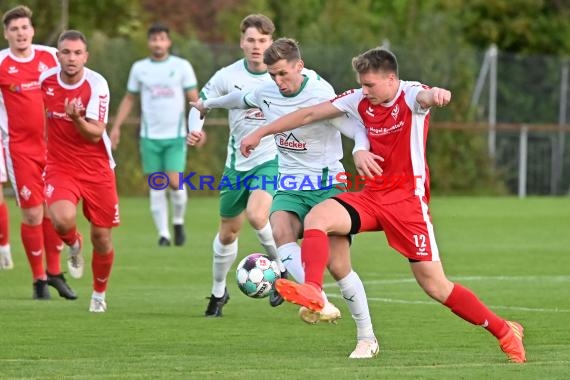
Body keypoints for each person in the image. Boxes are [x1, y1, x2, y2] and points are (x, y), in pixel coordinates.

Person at [240, 47, 526, 363]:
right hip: (372, 197)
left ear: (391, 79)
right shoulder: (360, 99)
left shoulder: (410, 95)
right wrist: (262, 131)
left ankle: (504, 331)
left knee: (435, 286)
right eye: (362, 84)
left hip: (407, 204)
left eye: (370, 85)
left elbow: (426, 98)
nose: (365, 92)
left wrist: (438, 95)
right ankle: (312, 289)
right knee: (317, 218)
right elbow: (309, 114)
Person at [192, 38, 382, 358]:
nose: (278, 82)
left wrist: (361, 149)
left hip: (326, 182)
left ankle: (367, 337)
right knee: (279, 229)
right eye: (272, 75)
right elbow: (240, 98)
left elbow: (355, 127)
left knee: (339, 266)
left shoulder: (322, 94)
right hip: (290, 182)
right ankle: (316, 298)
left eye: (283, 74)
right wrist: (206, 105)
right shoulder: (268, 91)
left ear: (299, 66)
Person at [186, 14, 287, 315]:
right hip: (236, 164)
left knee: (258, 216)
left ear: (272, 43)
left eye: (263, 41)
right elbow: (200, 104)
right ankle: (218, 292)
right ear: (242, 42)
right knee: (228, 232)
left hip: (270, 159)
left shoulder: (280, 74)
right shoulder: (226, 76)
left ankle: (281, 271)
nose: (257, 47)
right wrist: (195, 127)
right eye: (252, 40)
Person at [0, 5, 76, 299]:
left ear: (32, 30)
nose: (20, 33)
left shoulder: (50, 57)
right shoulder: (2, 64)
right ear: (6, 34)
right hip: (20, 149)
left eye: (24, 28)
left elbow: (73, 83)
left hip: (56, 148)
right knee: (32, 215)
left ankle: (55, 273)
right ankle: (38, 280)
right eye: (14, 29)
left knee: (54, 212)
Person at [39, 29, 118, 312]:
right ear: (57, 55)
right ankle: (73, 244)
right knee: (61, 219)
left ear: (86, 56)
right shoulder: (45, 81)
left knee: (103, 238)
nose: (71, 58)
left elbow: (96, 134)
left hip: (97, 168)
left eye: (77, 53)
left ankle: (99, 294)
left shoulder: (96, 84)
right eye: (66, 52)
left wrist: (75, 119)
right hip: (61, 165)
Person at [110, 23, 198, 247]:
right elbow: (130, 98)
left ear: (168, 42)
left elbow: (194, 99)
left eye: (162, 39)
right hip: (149, 137)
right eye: (154, 39)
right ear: (149, 43)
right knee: (156, 185)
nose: (158, 43)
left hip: (176, 136)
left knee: (175, 183)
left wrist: (198, 127)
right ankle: (163, 234)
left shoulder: (182, 66)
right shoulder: (140, 68)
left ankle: (178, 221)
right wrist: (116, 127)